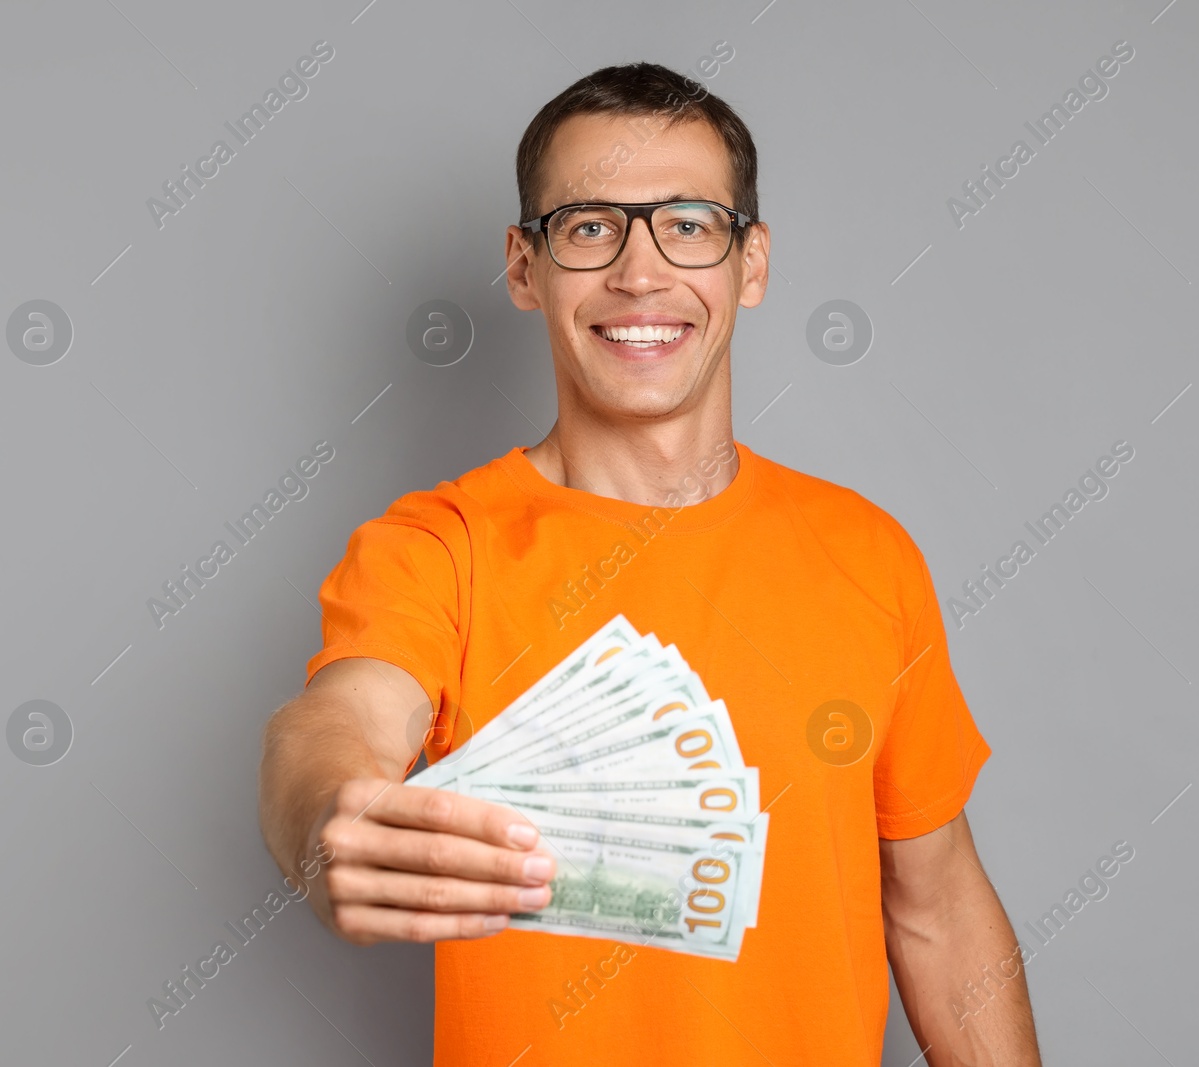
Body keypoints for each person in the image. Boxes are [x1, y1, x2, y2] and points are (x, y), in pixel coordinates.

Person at [258, 61, 1042, 1066]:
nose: (639, 273)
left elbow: (937, 906)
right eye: (589, 226)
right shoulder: (440, 545)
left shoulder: (864, 551)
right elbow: (335, 722)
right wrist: (331, 821)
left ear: (748, 264)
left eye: (688, 223)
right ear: (523, 265)